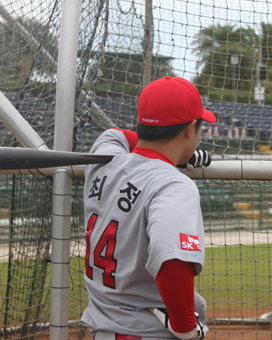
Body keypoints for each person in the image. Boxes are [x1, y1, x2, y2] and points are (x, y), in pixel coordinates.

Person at [82, 76, 216, 340]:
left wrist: (176, 156)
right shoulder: (174, 185)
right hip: (145, 332)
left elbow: (115, 135)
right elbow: (172, 260)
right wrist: (185, 327)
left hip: (101, 329)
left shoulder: (103, 161)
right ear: (190, 129)